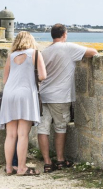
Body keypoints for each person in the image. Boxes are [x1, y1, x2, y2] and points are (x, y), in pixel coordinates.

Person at [38, 23, 98, 173]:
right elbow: (93, 52)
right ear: (64, 34)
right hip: (60, 96)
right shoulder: (68, 48)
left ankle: (46, 162)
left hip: (44, 95)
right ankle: (60, 160)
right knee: (60, 127)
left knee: (43, 128)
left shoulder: (44, 52)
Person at [0, 31, 46, 177]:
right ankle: (21, 167)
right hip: (25, 94)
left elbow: (5, 80)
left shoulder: (11, 56)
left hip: (9, 94)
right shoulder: (35, 53)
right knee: (23, 133)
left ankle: (8, 167)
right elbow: (43, 76)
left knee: (11, 134)